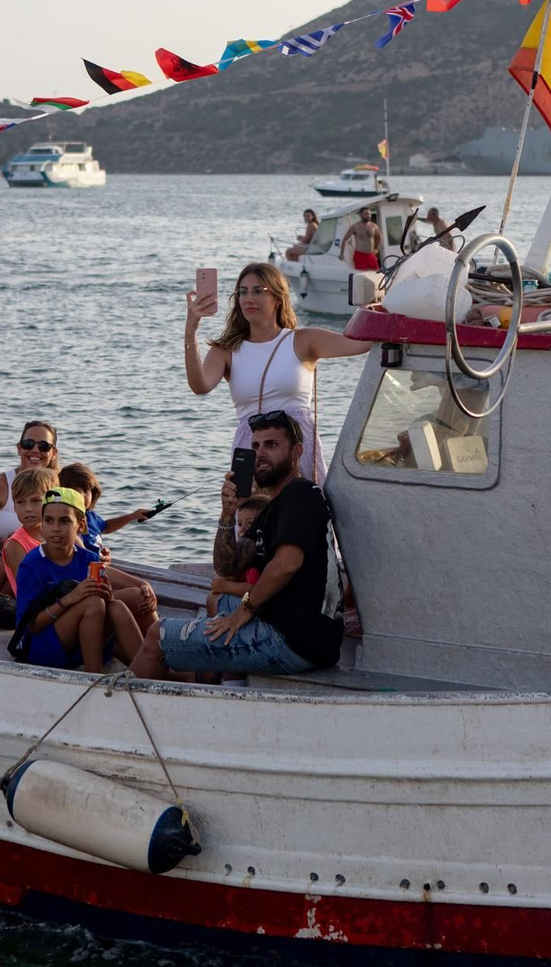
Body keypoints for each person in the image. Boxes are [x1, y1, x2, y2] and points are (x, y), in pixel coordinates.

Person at [132, 411, 344, 680]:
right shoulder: (275, 508)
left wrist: (245, 611)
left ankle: (121, 712)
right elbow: (227, 567)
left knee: (156, 637)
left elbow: (287, 564)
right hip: (298, 630)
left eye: (272, 445)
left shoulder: (299, 494)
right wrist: (227, 513)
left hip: (292, 640)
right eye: (256, 446)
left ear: (297, 452)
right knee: (221, 599)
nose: (261, 453)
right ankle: (216, 680)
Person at [184, 262, 370, 483]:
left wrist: (373, 301)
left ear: (278, 298)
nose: (248, 298)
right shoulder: (226, 350)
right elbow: (200, 386)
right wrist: (191, 331)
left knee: (302, 513)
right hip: (252, 446)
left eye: (258, 291)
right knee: (250, 516)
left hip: (295, 445)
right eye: (242, 292)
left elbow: (361, 344)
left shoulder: (303, 341)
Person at [13, 487, 149, 673]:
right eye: (49, 521)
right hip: (42, 647)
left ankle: (148, 671)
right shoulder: (32, 565)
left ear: (81, 526)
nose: (55, 528)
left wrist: (109, 596)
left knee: (116, 606)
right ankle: (93, 675)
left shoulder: (88, 559)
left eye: (65, 521)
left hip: (79, 640)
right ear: (42, 525)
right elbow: (31, 626)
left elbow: (106, 603)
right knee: (92, 603)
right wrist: (71, 599)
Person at [0, 420, 60, 554]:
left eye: (44, 446)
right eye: (28, 444)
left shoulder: (60, 487)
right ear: (19, 449)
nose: (35, 450)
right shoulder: (0, 484)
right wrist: (2, 542)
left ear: (53, 453)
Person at [0, 465, 58, 603]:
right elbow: (27, 589)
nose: (28, 509)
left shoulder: (60, 535)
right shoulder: (16, 544)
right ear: (14, 506)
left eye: (36, 501)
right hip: (33, 605)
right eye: (21, 502)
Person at [58, 461, 154, 556]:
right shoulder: (65, 520)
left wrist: (132, 516)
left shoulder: (91, 516)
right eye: (76, 491)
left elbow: (106, 527)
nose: (82, 496)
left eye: (86, 491)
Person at [208, 482, 272, 615]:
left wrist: (225, 586)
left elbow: (251, 588)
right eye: (240, 524)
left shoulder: (257, 563)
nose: (241, 530)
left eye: (249, 525)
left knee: (212, 599)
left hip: (259, 605)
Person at [340, 206, 383, 271]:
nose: (368, 216)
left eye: (369, 214)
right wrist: (342, 253)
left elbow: (379, 236)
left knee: (376, 272)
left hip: (371, 254)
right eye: (366, 214)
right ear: (361, 215)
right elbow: (345, 239)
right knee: (361, 274)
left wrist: (377, 248)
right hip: (360, 255)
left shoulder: (373, 226)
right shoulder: (355, 226)